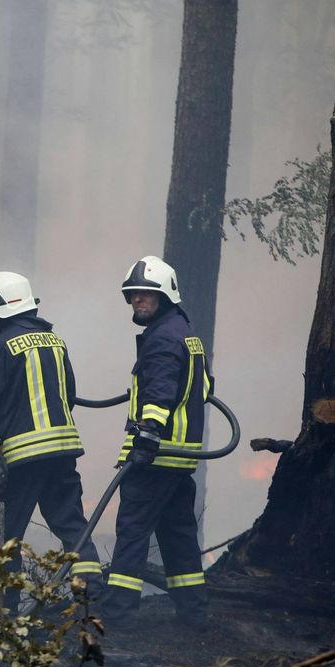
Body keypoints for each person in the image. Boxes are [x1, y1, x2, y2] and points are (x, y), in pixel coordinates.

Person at [0, 271, 104, 609]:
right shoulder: (55, 341)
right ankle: (93, 595)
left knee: (9, 533)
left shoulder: (1, 344)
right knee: (71, 522)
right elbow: (68, 395)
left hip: (26, 455)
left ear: (2, 306)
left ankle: (7, 609)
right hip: (63, 448)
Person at [103, 255, 212, 628]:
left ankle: (117, 617)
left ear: (165, 294)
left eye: (146, 295)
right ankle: (194, 613)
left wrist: (148, 434)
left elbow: (162, 390)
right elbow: (205, 387)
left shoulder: (162, 338)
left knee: (132, 532)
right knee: (179, 534)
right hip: (180, 457)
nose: (137, 301)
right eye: (133, 295)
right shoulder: (187, 333)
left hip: (155, 456)